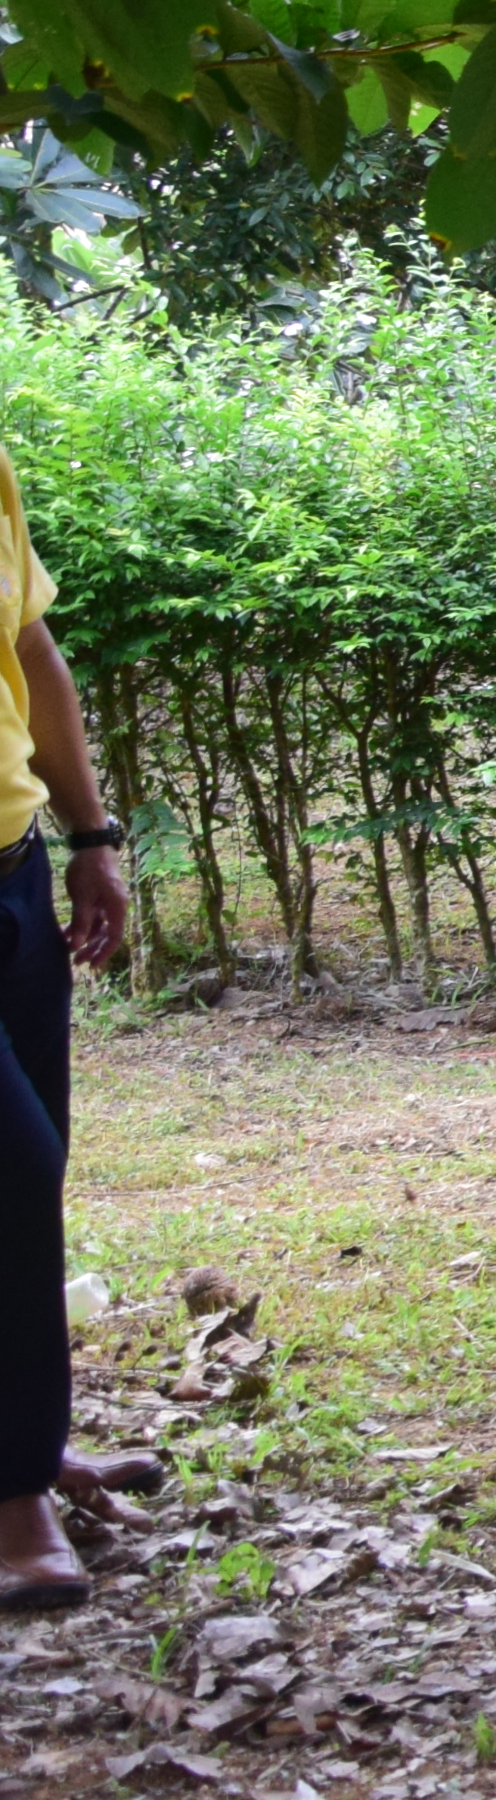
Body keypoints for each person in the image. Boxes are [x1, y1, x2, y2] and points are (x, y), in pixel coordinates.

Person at [0, 441, 144, 1616]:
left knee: (30, 1163)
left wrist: (91, 839)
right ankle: (11, 1502)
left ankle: (29, 1446)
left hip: (9, 866)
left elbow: (30, 650)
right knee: (10, 1161)